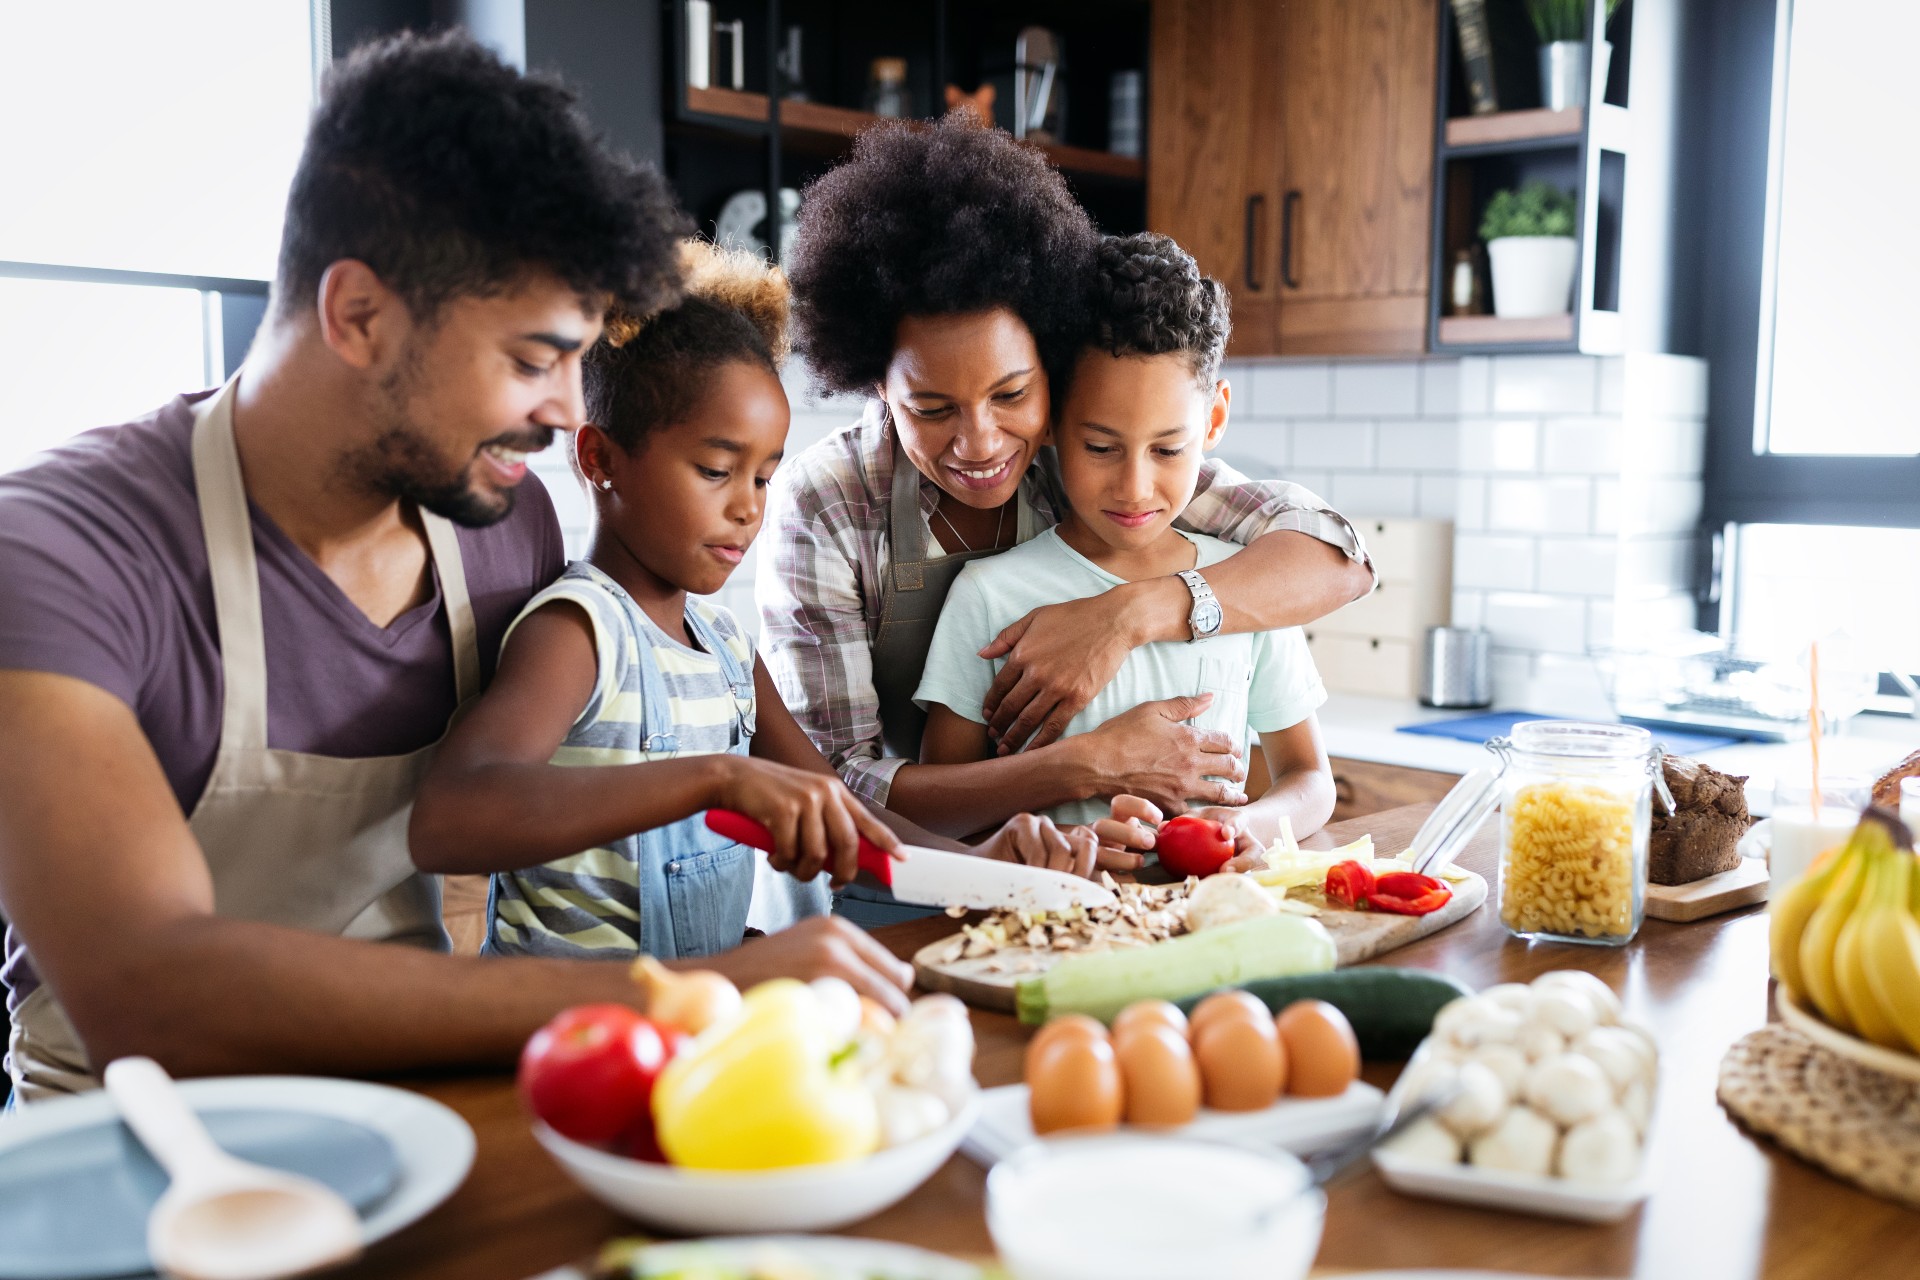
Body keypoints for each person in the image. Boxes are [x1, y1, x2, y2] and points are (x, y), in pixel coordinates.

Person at [0, 33, 902, 1103]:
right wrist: (684, 990)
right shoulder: (55, 554)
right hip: (136, 1152)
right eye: (531, 360)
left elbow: (505, 828)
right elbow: (151, 994)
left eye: (576, 359)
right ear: (358, 316)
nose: (569, 411)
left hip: (419, 1103)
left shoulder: (499, 529)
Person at [408, 242, 1100, 971]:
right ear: (601, 460)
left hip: (693, 1027)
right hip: (566, 1037)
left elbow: (845, 814)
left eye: (764, 477)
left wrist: (990, 868)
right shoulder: (579, 631)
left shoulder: (728, 651)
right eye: (716, 471)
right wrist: (716, 776)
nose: (748, 509)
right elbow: (451, 819)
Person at [760, 118, 1373, 892]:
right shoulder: (828, 506)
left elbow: (1336, 558)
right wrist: (1083, 766)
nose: (981, 442)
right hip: (862, 888)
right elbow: (838, 785)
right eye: (932, 408)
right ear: (878, 384)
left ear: (1048, 379)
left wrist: (1127, 616)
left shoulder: (1089, 457)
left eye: (1010, 394)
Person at [916, 233, 1336, 855]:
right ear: (1052, 420)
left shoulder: (1247, 589)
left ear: (1214, 420)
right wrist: (1064, 842)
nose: (1136, 487)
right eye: (1101, 448)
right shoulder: (991, 596)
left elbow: (1310, 779)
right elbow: (941, 812)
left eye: (1168, 449)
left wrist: (1250, 827)